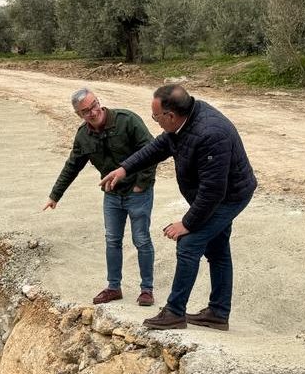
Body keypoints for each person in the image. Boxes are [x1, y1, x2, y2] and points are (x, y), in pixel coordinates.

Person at [100, 84, 256, 330]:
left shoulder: (210, 133)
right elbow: (157, 148)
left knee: (189, 243)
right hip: (216, 194)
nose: (155, 122)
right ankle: (218, 312)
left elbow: (213, 192)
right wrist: (124, 168)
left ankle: (174, 312)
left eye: (156, 117)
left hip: (229, 196)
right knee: (217, 249)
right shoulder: (183, 123)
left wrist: (186, 224)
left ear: (170, 115)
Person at [44, 88, 158, 306]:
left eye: (94, 105)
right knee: (112, 240)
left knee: (141, 240)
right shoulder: (83, 136)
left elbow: (151, 150)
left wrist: (141, 184)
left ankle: (147, 290)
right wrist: (55, 195)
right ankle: (114, 287)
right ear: (79, 115)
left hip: (137, 193)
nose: (93, 112)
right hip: (112, 195)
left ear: (99, 102)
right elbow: (72, 166)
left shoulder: (127, 120)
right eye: (86, 111)